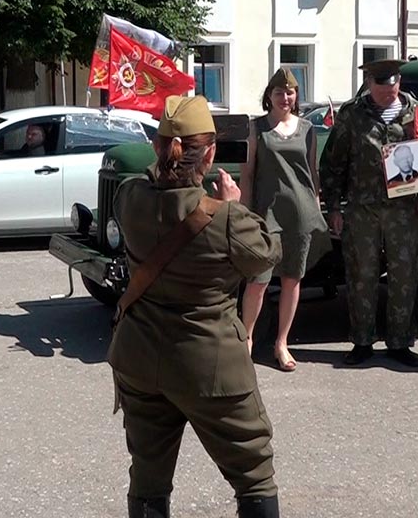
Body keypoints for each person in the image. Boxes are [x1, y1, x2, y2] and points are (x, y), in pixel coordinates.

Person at [108, 95, 282, 518]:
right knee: (253, 473)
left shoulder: (129, 197)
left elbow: (153, 194)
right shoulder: (225, 218)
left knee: (148, 476)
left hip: (140, 357)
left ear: (158, 146)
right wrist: (233, 203)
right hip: (210, 366)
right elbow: (264, 254)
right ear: (211, 153)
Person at [320, 59, 418, 367]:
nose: (387, 92)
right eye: (380, 87)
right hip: (362, 208)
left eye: (392, 86)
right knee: (361, 274)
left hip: (405, 209)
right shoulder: (353, 115)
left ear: (399, 83)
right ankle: (362, 340)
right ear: (369, 84)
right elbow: (334, 163)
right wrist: (334, 206)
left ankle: (400, 341)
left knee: (405, 275)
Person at [238, 67, 329, 373]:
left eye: (290, 92)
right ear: (270, 96)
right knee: (258, 281)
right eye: (279, 92)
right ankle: (246, 340)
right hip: (267, 215)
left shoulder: (307, 129)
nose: (285, 98)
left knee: (292, 279)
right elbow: (247, 175)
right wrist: (246, 212)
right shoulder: (256, 128)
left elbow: (312, 173)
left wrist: (317, 208)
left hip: (301, 214)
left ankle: (281, 343)